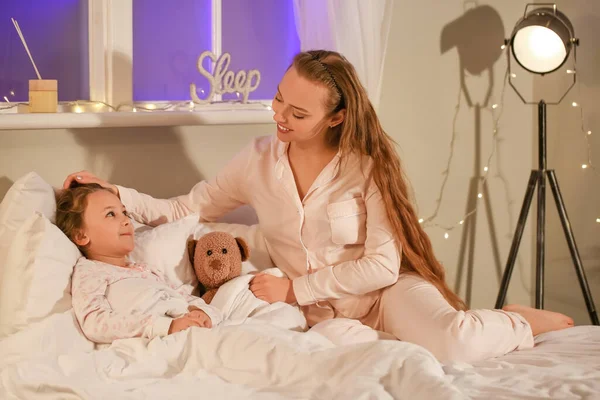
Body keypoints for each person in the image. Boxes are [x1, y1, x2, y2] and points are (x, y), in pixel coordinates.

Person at [63, 50, 573, 362]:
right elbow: (184, 209)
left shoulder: (367, 167)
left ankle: (514, 321)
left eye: (297, 111)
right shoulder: (258, 161)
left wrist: (295, 287)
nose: (278, 114)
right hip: (318, 319)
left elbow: (381, 265)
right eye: (280, 98)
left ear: (335, 118)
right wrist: (114, 193)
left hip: (386, 294)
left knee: (454, 346)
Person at [55, 183, 222, 344]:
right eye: (110, 214)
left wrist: (202, 311)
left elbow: (179, 294)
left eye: (124, 212)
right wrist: (166, 326)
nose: (127, 221)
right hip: (160, 338)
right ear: (81, 236)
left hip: (189, 327)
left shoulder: (144, 269)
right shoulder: (90, 270)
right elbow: (95, 322)